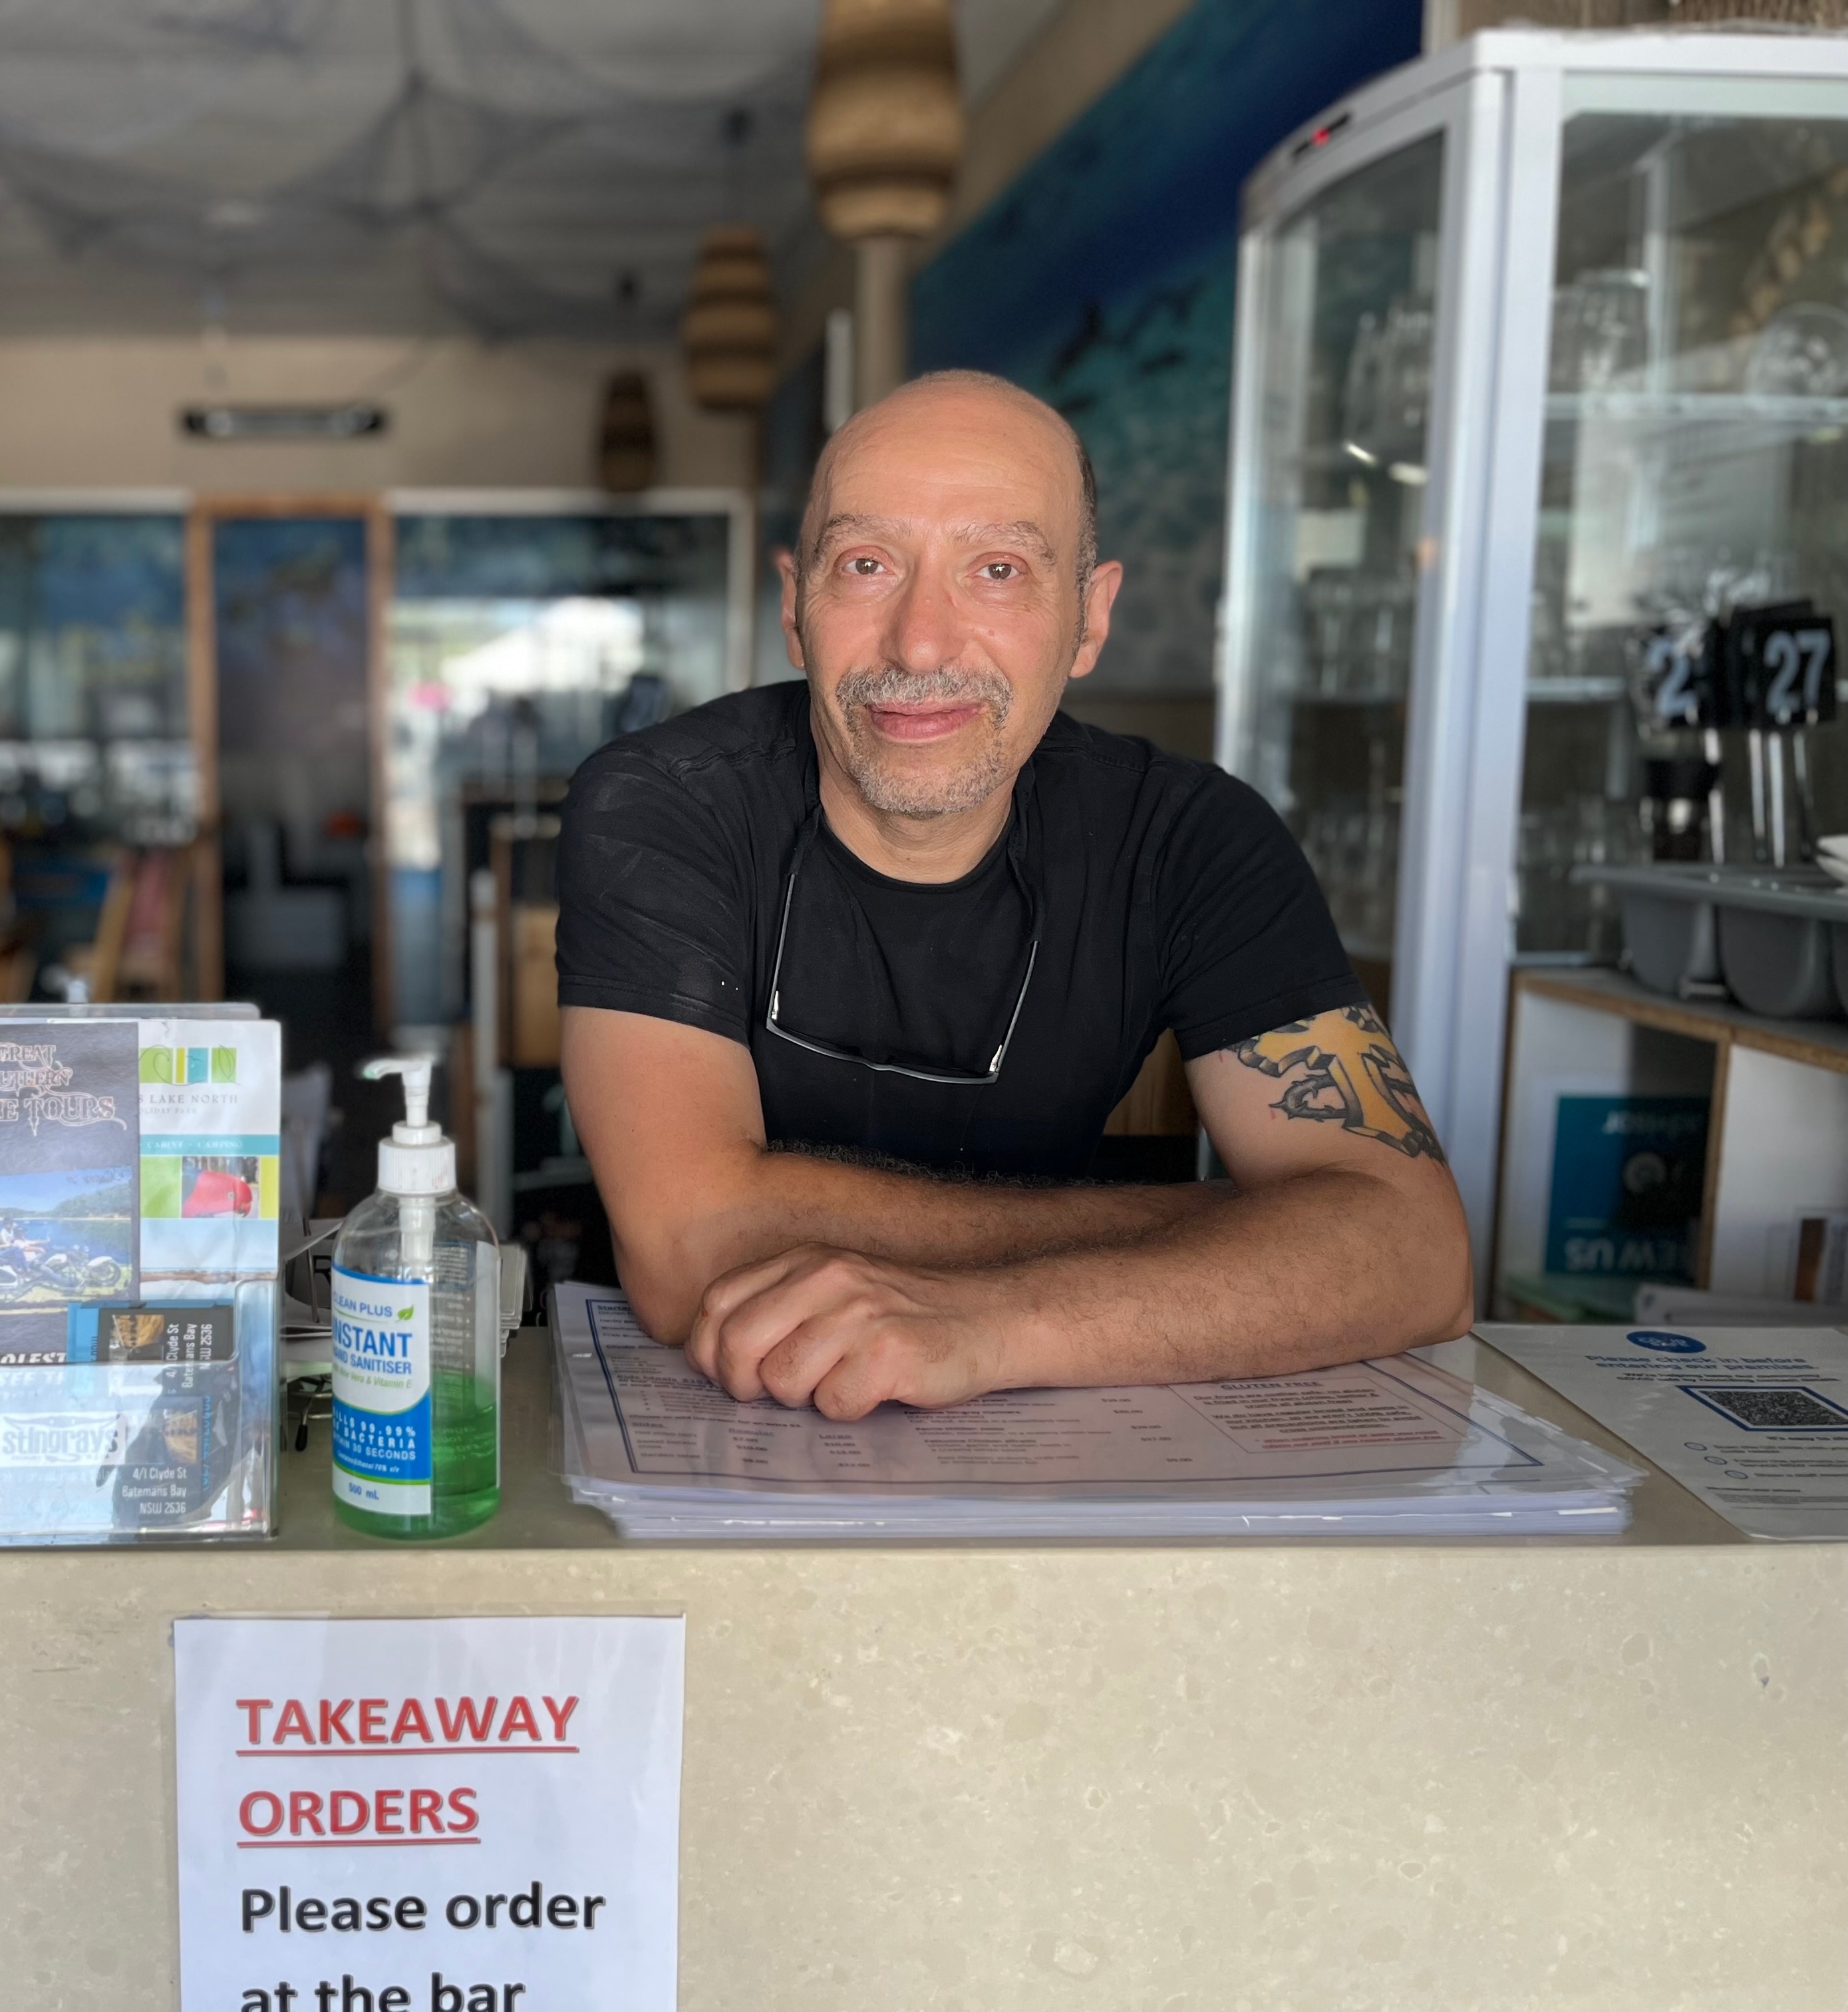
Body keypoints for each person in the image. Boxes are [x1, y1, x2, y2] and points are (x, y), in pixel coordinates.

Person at [555, 369, 1471, 1419]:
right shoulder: (666, 804)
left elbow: (1418, 1255)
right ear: (795, 610)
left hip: (1045, 1419)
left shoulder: (1189, 839)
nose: (922, 644)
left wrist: (991, 1324)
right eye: (866, 565)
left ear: (1090, 617)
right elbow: (687, 1250)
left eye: (997, 569)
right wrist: (1230, 1230)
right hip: (713, 1423)